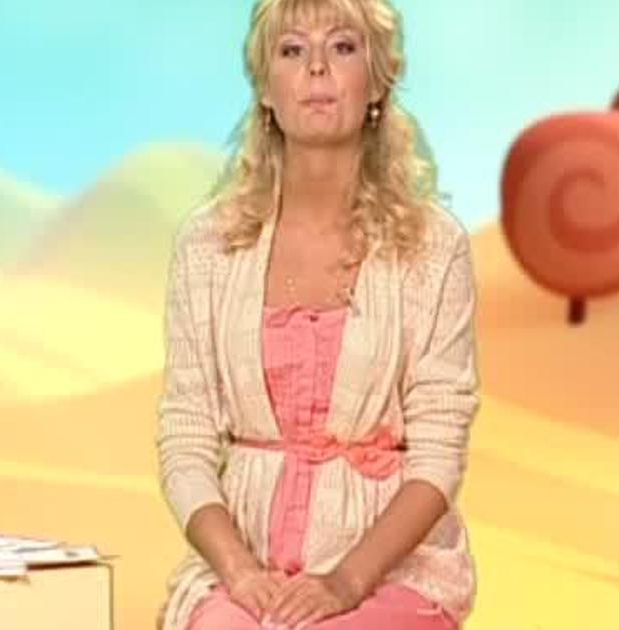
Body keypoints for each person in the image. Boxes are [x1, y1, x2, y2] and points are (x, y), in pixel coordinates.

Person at [155, 1, 480, 629]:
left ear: (378, 81)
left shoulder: (434, 246)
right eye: (292, 50)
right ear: (265, 87)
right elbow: (185, 438)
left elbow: (439, 453)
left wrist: (345, 583)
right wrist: (241, 575)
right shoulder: (209, 245)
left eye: (343, 47)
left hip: (391, 573)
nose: (317, 68)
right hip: (248, 570)